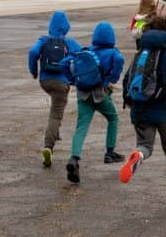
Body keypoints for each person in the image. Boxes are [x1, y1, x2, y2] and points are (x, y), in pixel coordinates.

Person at [119, 14, 166, 203]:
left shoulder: (140, 54)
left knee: (145, 146)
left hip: (141, 109)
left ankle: (138, 155)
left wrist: (128, 101)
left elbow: (127, 79)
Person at [63, 22, 126, 184]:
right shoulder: (113, 53)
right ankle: (110, 153)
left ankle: (74, 158)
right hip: (100, 94)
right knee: (112, 118)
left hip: (82, 93)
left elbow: (65, 63)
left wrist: (72, 81)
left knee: (81, 127)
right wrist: (110, 80)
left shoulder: (86, 51)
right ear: (111, 37)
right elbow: (120, 60)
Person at [28, 11, 82, 168]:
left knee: (55, 105)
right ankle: (48, 146)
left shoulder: (43, 40)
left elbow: (32, 52)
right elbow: (83, 55)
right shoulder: (69, 43)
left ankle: (55, 133)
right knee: (56, 115)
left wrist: (34, 71)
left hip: (45, 81)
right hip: (61, 82)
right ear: (66, 27)